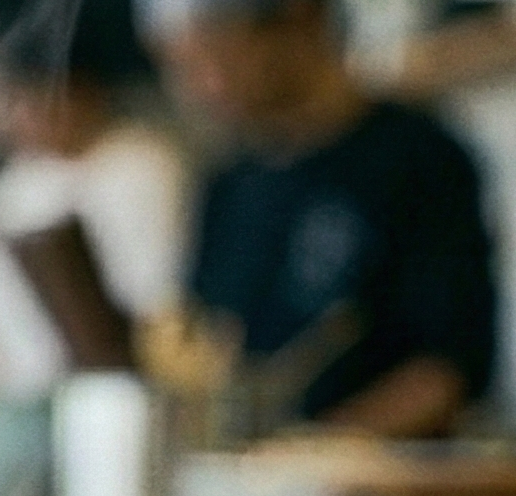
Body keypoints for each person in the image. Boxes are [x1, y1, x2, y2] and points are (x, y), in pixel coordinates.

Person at [147, 0, 497, 435]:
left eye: (217, 52)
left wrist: (315, 452)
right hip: (242, 483)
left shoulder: (419, 159)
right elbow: (202, 343)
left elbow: (446, 371)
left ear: (301, 17)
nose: (201, 87)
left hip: (379, 484)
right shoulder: (228, 186)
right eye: (179, 65)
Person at [0, 17, 190, 402]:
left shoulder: (139, 168)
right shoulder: (5, 193)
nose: (21, 114)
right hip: (11, 409)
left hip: (108, 406)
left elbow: (160, 321)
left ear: (88, 91)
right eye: (11, 98)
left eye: (38, 94)